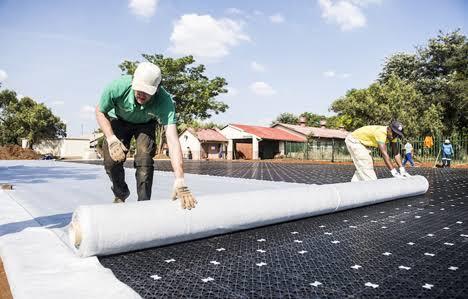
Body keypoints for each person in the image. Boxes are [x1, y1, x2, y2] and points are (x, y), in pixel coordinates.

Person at [95, 62, 197, 209]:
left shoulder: (165, 101)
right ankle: (120, 193)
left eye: (147, 91)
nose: (141, 94)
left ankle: (144, 204)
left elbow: (173, 140)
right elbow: (100, 111)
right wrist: (111, 138)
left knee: (145, 158)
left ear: (157, 89)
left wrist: (180, 179)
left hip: (145, 124)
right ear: (133, 82)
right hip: (118, 120)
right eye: (139, 89)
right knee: (111, 161)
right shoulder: (117, 87)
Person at [345, 120, 411, 181]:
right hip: (354, 140)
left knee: (364, 166)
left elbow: (396, 153)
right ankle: (372, 187)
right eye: (393, 133)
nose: (394, 136)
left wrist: (402, 169)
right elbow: (384, 154)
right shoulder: (381, 132)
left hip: (362, 144)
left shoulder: (393, 136)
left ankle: (354, 186)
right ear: (388, 129)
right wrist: (394, 172)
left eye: (397, 135)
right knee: (366, 162)